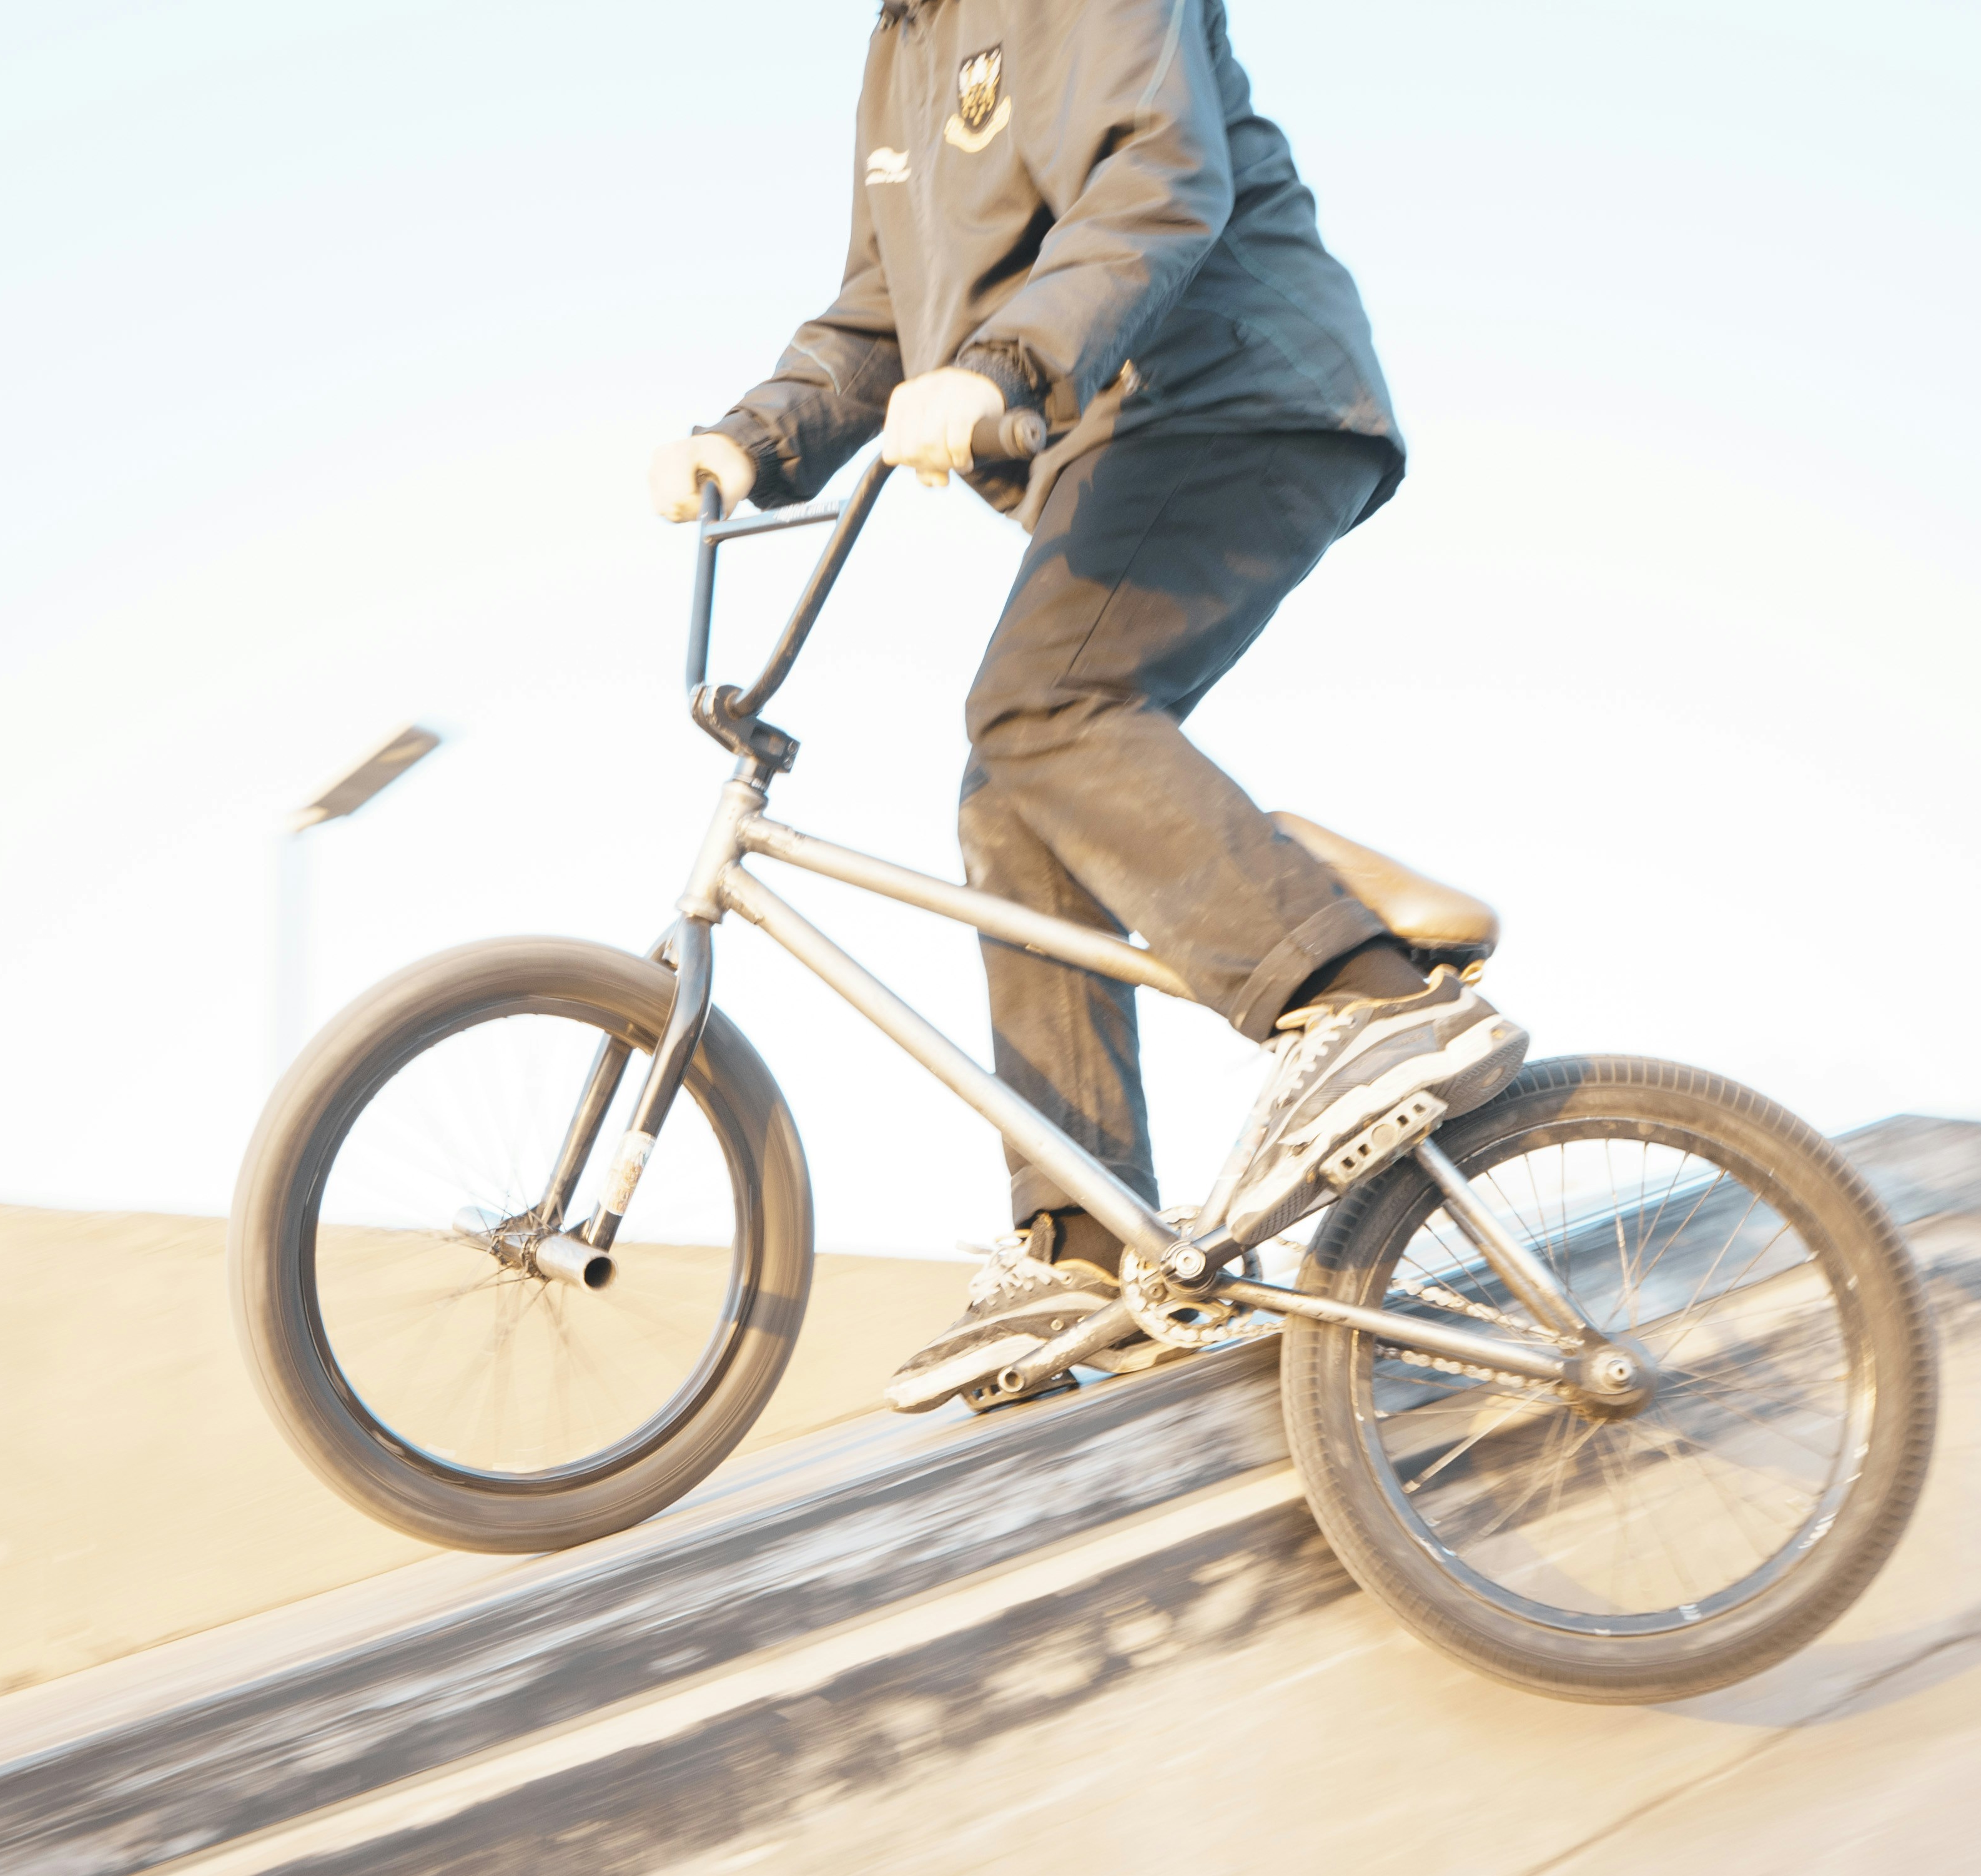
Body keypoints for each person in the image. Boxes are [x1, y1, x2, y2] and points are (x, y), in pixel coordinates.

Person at [648, 0, 1524, 1411]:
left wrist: (1002, 366)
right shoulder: (909, 43)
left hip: (1228, 391)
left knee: (1042, 709)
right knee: (1015, 794)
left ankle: (1364, 1007)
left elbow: (1157, 178)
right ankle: (1083, 1241)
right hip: (1115, 432)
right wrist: (752, 437)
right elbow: (881, 310)